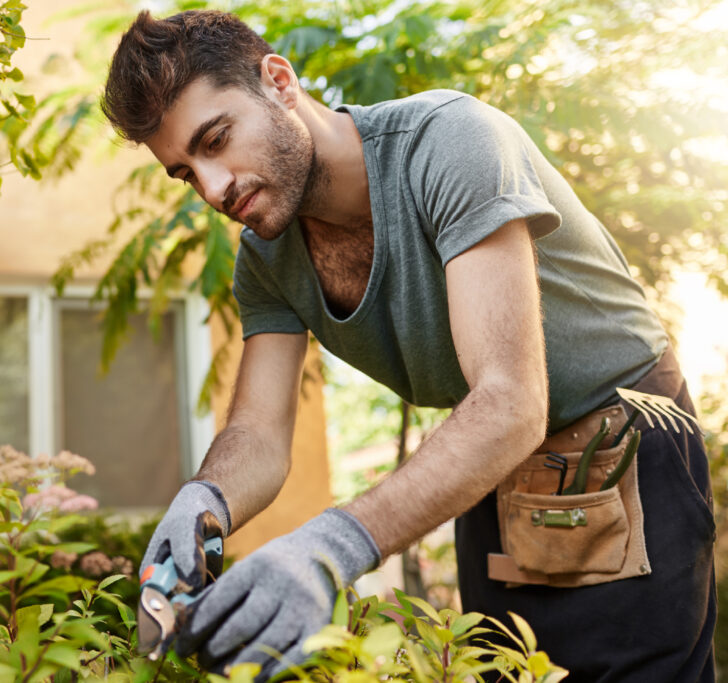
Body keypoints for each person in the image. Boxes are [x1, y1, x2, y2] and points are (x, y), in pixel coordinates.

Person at [102, 9, 716, 683]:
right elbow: (258, 431)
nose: (214, 189)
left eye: (216, 140)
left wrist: (329, 544)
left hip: (623, 443)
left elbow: (512, 400)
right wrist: (206, 498)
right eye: (187, 173)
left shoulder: (449, 142)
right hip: (489, 461)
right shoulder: (266, 259)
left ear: (278, 81)